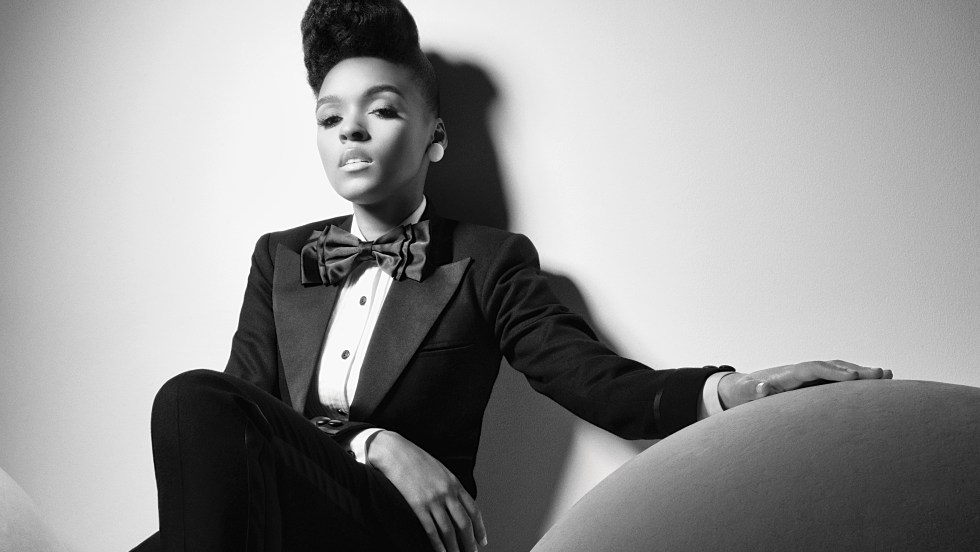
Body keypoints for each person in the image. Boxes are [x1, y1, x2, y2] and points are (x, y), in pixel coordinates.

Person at [132, 1, 892, 551]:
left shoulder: (490, 260)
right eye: (331, 119)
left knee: (187, 400)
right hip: (289, 515)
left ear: (435, 136)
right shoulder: (280, 256)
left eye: (381, 110)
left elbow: (599, 383)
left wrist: (738, 390)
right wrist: (375, 442)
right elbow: (242, 417)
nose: (351, 131)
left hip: (398, 532)